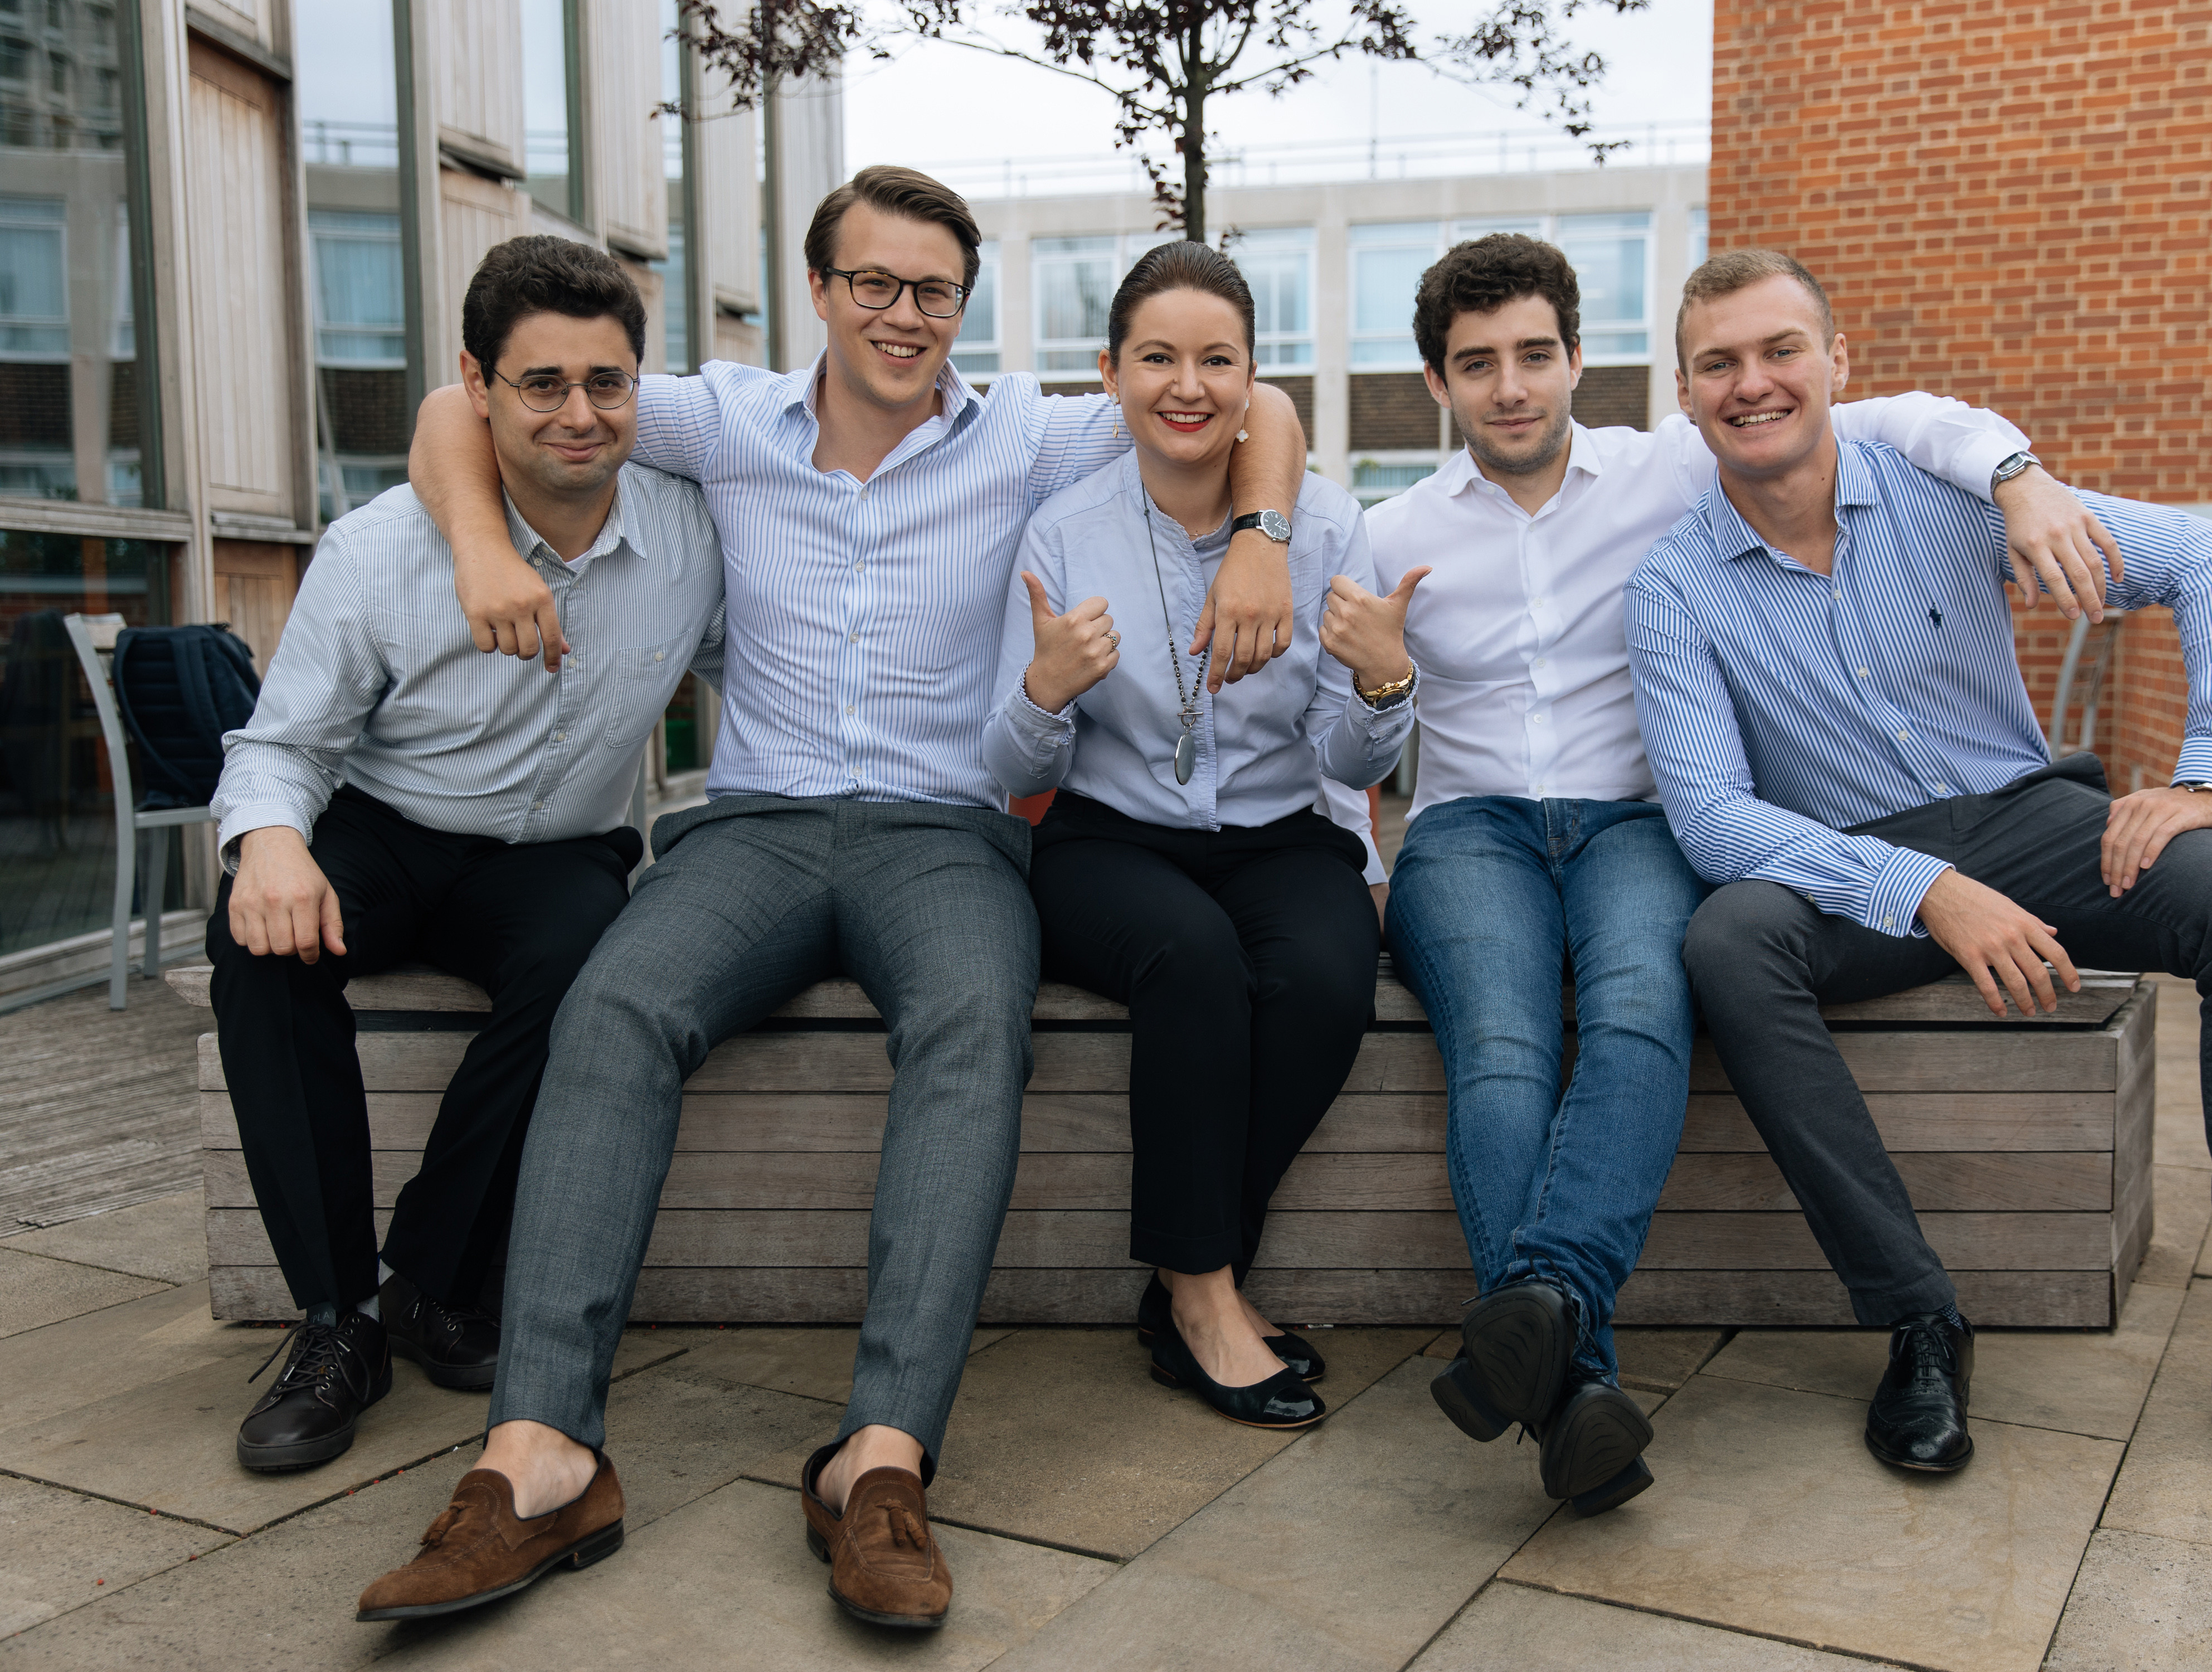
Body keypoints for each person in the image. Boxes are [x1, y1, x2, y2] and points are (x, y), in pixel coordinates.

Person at [356, 167, 1314, 1632]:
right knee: (612, 1003)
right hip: (757, 827)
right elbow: (456, 405)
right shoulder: (724, 420)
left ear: (962, 304)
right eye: (872, 281)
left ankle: (877, 1460)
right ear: (819, 289)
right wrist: (484, 546)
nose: (903, 313)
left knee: (977, 1024)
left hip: (943, 833)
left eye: (933, 288)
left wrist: (1261, 539)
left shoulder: (1022, 436)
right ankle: (541, 1454)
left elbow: (1254, 407)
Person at [1627, 246, 2212, 1513]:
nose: (1753, 384)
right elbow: (1708, 815)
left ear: (1836, 365)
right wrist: (1920, 886)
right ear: (1687, 395)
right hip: (1847, 870)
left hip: (2028, 818)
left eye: (1779, 351)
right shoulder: (1673, 586)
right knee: (1726, 942)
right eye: (1719, 365)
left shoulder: (1949, 494)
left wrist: (2210, 778)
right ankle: (1920, 1321)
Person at [1368, 232, 2119, 1515]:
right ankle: (1575, 1378)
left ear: (1575, 362)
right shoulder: (1391, 531)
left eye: (1533, 356)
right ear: (1437, 383)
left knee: (1643, 1012)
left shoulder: (1670, 463)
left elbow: (1892, 415)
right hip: (1470, 827)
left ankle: (1548, 1348)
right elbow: (1358, 752)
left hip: (1638, 822)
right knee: (1499, 1047)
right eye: (1476, 365)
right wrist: (1382, 679)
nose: (1510, 387)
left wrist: (2017, 475)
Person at [204, 237, 722, 1474]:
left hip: (557, 852)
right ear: (476, 386)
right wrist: (269, 843)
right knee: (259, 953)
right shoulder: (384, 550)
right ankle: (337, 1324)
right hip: (385, 827)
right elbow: (283, 742)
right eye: (541, 383)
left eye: (608, 383)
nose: (580, 414)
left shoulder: (695, 535)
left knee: (595, 963)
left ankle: (430, 1284)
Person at [984, 242, 1418, 1431]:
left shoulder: (1323, 525)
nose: (1189, 385)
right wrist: (1045, 694)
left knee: (1330, 980)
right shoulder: (1065, 530)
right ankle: (1205, 1300)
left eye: (1217, 359)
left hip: (1281, 833)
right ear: (1111, 374)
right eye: (1159, 357)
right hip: (1105, 839)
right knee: (1192, 959)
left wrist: (1384, 691)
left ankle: (1192, 1269)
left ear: (1250, 379)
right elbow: (1012, 764)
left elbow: (1344, 763)